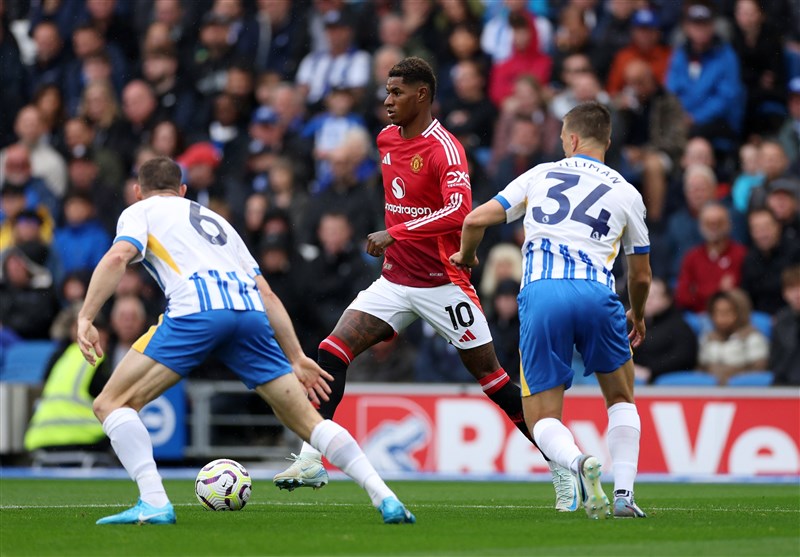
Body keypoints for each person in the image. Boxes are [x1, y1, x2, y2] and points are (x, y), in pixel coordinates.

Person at [273, 57, 578, 512]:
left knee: (494, 382)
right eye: (386, 91)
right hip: (395, 281)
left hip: (443, 284)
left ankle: (561, 466)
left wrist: (394, 232)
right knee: (331, 351)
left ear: (422, 95)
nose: (387, 100)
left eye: (396, 92)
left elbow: (459, 212)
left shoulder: (445, 149)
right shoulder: (385, 139)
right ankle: (312, 458)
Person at [76, 157, 414, 525]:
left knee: (110, 403)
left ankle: (154, 501)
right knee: (308, 421)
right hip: (249, 315)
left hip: (196, 311)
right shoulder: (219, 223)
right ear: (184, 190)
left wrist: (86, 316)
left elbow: (119, 256)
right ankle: (386, 497)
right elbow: (266, 293)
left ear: (138, 191)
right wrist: (296, 356)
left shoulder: (139, 211)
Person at [450, 101, 651, 519]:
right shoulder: (627, 192)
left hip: (543, 293)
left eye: (562, 138)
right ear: (607, 140)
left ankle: (579, 463)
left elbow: (473, 221)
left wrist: (467, 257)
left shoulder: (540, 174)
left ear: (572, 139)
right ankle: (624, 496)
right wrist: (638, 312)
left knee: (541, 417)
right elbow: (641, 275)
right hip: (598, 294)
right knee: (621, 397)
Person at [698, 289, 769, 385]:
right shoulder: (708, 337)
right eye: (717, 312)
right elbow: (701, 369)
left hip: (743, 391)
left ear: (740, 312)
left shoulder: (752, 337)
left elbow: (758, 371)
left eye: (727, 312)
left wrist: (731, 379)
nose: (721, 318)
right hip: (711, 392)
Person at [770, 265, 800, 385]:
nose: (798, 294)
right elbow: (776, 359)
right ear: (784, 293)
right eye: (792, 288)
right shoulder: (781, 320)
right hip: (785, 384)